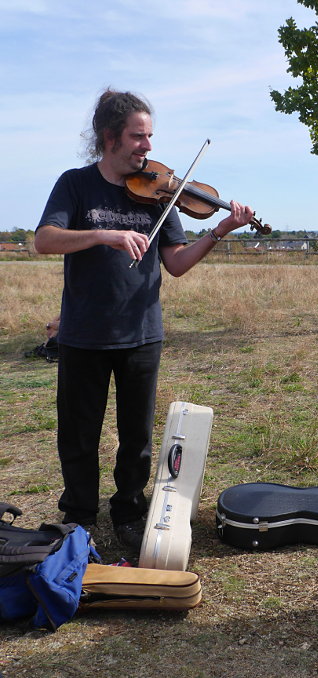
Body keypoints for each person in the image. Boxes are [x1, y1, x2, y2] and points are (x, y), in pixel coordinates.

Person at [34, 89, 255, 550]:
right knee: (78, 434)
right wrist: (104, 235)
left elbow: (175, 262)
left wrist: (218, 230)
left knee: (137, 438)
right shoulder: (75, 184)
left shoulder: (159, 192)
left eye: (150, 136)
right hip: (83, 333)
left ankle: (129, 512)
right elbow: (45, 239)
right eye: (138, 137)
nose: (148, 147)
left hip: (140, 334)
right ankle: (77, 515)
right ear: (109, 137)